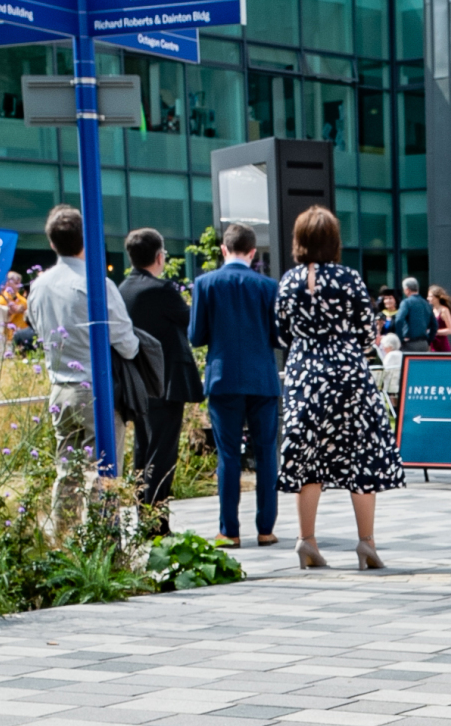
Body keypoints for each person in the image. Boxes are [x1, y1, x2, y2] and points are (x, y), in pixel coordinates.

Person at [275, 205, 404, 567]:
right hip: (348, 372)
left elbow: (282, 332)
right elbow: (367, 330)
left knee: (307, 457)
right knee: (360, 454)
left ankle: (306, 540)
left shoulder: (288, 281)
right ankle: (366, 543)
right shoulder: (349, 278)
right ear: (334, 240)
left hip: (304, 375)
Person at [27, 204, 141, 539]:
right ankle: (102, 543)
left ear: (51, 243)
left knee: (68, 471)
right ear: (87, 240)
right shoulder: (96, 283)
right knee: (103, 474)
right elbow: (126, 342)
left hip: (59, 389)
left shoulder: (39, 286)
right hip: (95, 390)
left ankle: (62, 538)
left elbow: (37, 329)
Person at [187, 220, 282, 549]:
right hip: (262, 379)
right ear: (253, 253)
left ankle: (229, 531)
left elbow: (196, 336)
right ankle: (266, 529)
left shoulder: (205, 283)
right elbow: (277, 337)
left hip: (223, 377)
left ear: (223, 249)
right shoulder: (269, 287)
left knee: (227, 455)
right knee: (267, 453)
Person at [119, 228, 202, 532]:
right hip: (166, 384)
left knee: (143, 451)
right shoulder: (161, 290)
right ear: (159, 256)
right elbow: (190, 319)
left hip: (137, 384)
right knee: (163, 454)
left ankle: (145, 519)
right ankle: (156, 524)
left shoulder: (123, 289)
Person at [390, 276, 435, 352]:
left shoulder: (406, 303)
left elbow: (399, 320)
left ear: (407, 289)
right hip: (424, 343)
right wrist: (428, 341)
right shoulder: (426, 303)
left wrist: (400, 339)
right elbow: (434, 325)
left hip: (409, 343)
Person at [427, 286, 451, 354]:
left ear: (437, 297)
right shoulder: (431, 310)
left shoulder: (444, 310)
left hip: (442, 346)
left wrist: (434, 332)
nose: (428, 298)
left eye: (430, 296)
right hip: (432, 346)